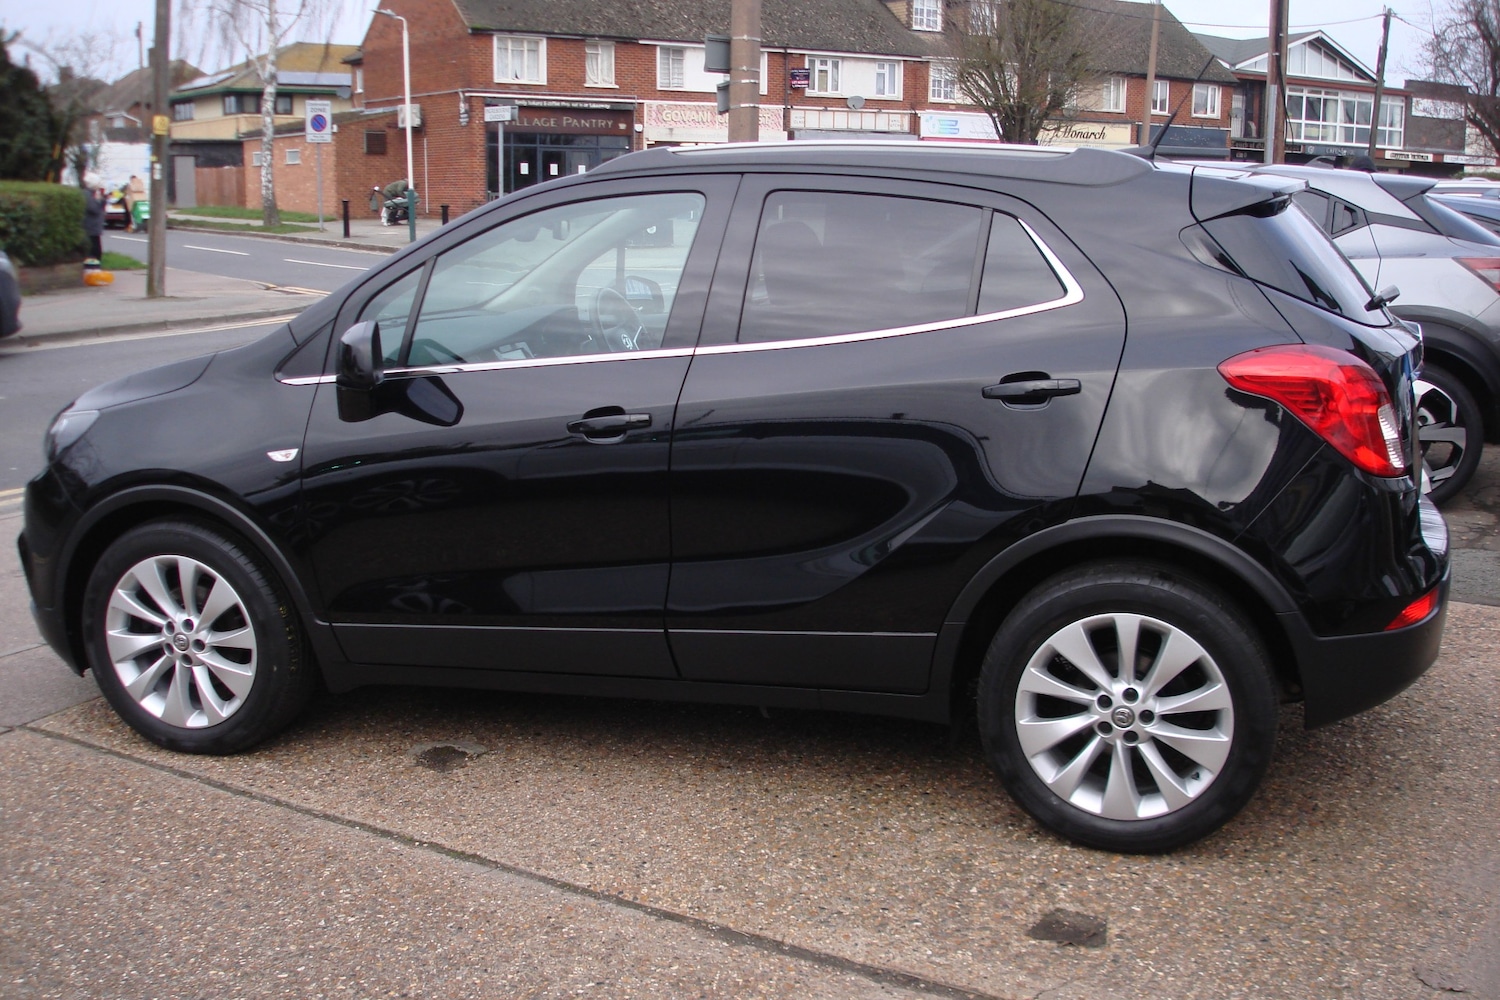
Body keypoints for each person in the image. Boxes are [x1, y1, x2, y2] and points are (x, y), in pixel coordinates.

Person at [82, 173, 106, 261]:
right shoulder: (88, 195)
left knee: (97, 251)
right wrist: (99, 201)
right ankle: (93, 270)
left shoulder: (92, 194)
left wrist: (102, 200)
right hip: (91, 228)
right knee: (94, 252)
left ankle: (95, 268)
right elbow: (94, 209)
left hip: (94, 229)